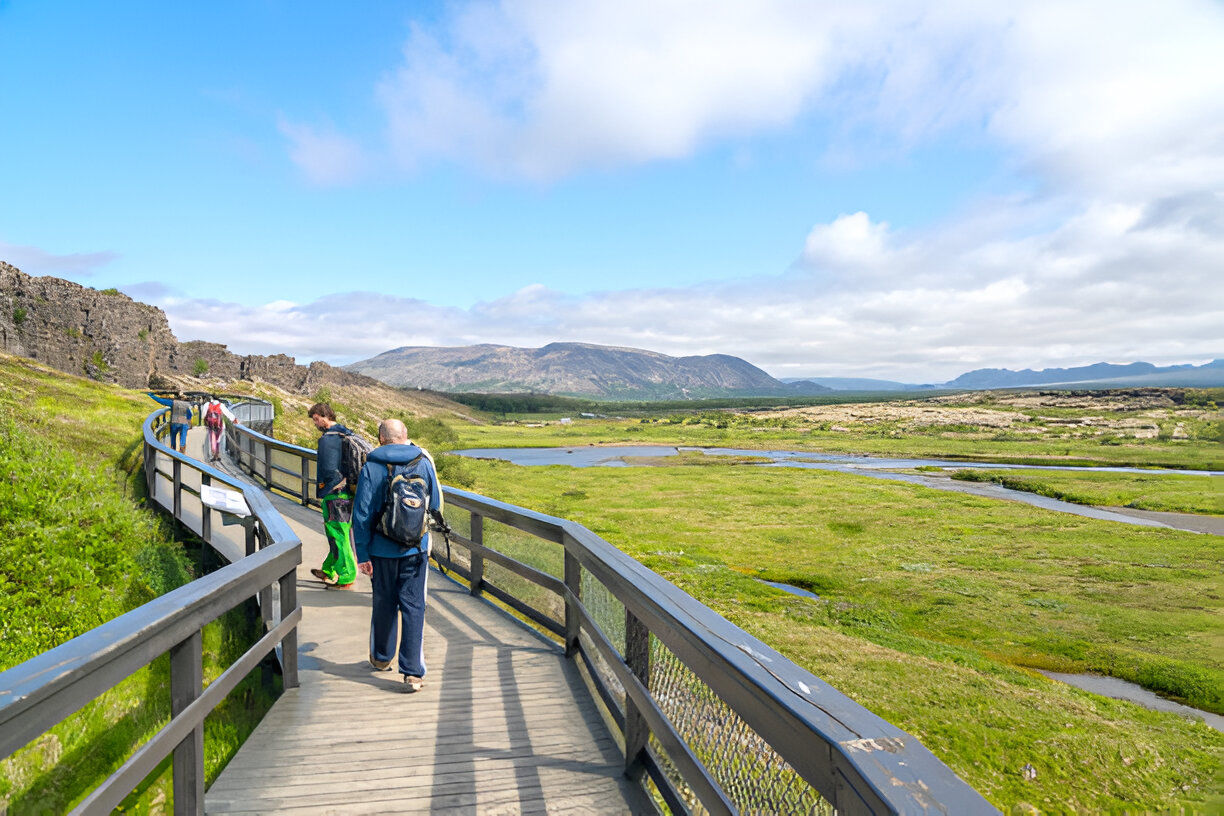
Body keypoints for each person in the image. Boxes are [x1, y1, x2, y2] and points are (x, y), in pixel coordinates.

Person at [352, 418, 443, 692]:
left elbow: (362, 515)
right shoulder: (423, 463)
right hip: (415, 549)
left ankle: (381, 657)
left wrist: (362, 554)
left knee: (384, 603)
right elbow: (436, 504)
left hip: (381, 551)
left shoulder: (372, 466)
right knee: (414, 607)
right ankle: (413, 673)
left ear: (381, 438)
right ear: (406, 435)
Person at [308, 402, 357, 590]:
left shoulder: (328, 439)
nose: (315, 424)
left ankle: (346, 576)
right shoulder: (345, 433)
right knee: (336, 534)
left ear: (324, 416)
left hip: (335, 494)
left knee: (338, 535)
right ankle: (329, 569)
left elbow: (329, 469)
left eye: (316, 419)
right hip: (347, 492)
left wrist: (324, 487)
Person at [202, 395, 239, 462]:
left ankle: (214, 454)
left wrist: (206, 421)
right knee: (218, 440)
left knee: (212, 439)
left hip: (211, 425)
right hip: (220, 426)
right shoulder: (221, 405)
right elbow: (227, 413)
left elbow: (203, 415)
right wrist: (234, 419)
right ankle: (218, 454)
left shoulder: (207, 404)